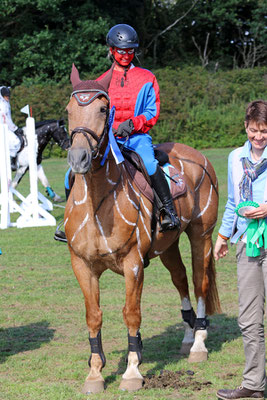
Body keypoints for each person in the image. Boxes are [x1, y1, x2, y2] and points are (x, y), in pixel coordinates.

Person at [54, 23, 180, 243]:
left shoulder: (147, 77)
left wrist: (133, 123)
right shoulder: (102, 81)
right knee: (69, 174)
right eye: (121, 51)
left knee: (150, 164)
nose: (125, 55)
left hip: (137, 137)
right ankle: (68, 220)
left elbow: (153, 111)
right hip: (110, 139)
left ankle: (168, 212)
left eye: (130, 51)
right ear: (111, 50)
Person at [215, 100, 267, 400]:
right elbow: (234, 202)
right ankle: (254, 385)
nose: (258, 137)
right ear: (245, 127)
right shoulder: (235, 158)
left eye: (263, 131)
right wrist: (223, 236)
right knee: (249, 319)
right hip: (246, 243)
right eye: (252, 131)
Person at [0, 86, 24, 170]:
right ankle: (11, 163)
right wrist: (15, 128)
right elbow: (6, 119)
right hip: (3, 127)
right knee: (16, 142)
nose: (8, 98)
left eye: (8, 96)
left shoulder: (6, 103)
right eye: (6, 96)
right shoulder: (2, 105)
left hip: (6, 127)